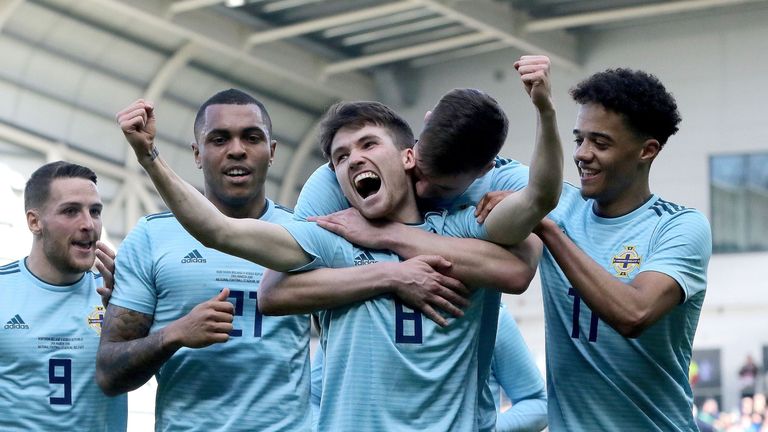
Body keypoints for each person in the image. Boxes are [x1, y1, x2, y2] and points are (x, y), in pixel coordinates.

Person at [116, 56, 561, 430]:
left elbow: (537, 205)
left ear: (410, 156)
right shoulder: (333, 238)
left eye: (369, 144)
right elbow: (220, 231)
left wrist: (544, 109)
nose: (354, 160)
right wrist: (150, 158)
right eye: (341, 156)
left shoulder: (464, 227)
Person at [96, 89, 313, 431]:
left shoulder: (304, 234)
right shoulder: (152, 237)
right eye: (219, 139)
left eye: (252, 138)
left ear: (271, 153)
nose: (237, 149)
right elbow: (109, 374)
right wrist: (174, 334)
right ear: (197, 154)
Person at [527, 68, 711, 430]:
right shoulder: (557, 202)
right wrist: (544, 110)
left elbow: (634, 313)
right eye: (579, 139)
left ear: (647, 150)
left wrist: (548, 231)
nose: (582, 154)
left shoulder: (679, 227)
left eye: (601, 143)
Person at [0, 161, 127, 431]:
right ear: (35, 222)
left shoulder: (119, 297)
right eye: (71, 211)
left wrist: (130, 310)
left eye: (95, 211)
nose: (88, 224)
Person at [309, 302, 547, 432]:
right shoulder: (360, 314)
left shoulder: (488, 313)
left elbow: (537, 401)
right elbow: (312, 398)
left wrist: (488, 428)